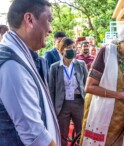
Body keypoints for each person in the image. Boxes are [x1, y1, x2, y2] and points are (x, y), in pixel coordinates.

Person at [0, 0, 61, 146]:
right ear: (30, 19)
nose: (51, 29)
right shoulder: (12, 66)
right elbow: (35, 136)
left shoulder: (25, 57)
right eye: (48, 20)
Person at [49, 37, 88, 146]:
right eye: (68, 48)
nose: (72, 50)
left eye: (73, 48)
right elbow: (51, 90)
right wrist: (52, 109)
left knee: (81, 132)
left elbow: (86, 85)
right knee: (62, 134)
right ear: (62, 50)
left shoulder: (81, 65)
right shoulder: (55, 67)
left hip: (78, 102)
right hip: (62, 104)